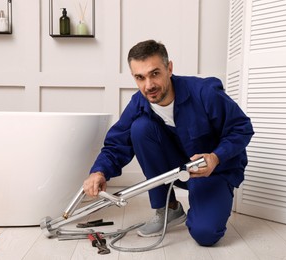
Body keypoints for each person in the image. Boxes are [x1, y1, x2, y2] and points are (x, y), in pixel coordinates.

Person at [83, 39, 254, 246]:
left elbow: (241, 128)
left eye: (155, 73)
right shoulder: (139, 102)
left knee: (205, 233)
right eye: (140, 77)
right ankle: (169, 209)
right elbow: (116, 143)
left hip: (213, 171)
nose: (149, 85)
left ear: (169, 68)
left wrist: (216, 157)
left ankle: (205, 204)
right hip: (176, 167)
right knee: (140, 128)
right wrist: (99, 172)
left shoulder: (205, 92)